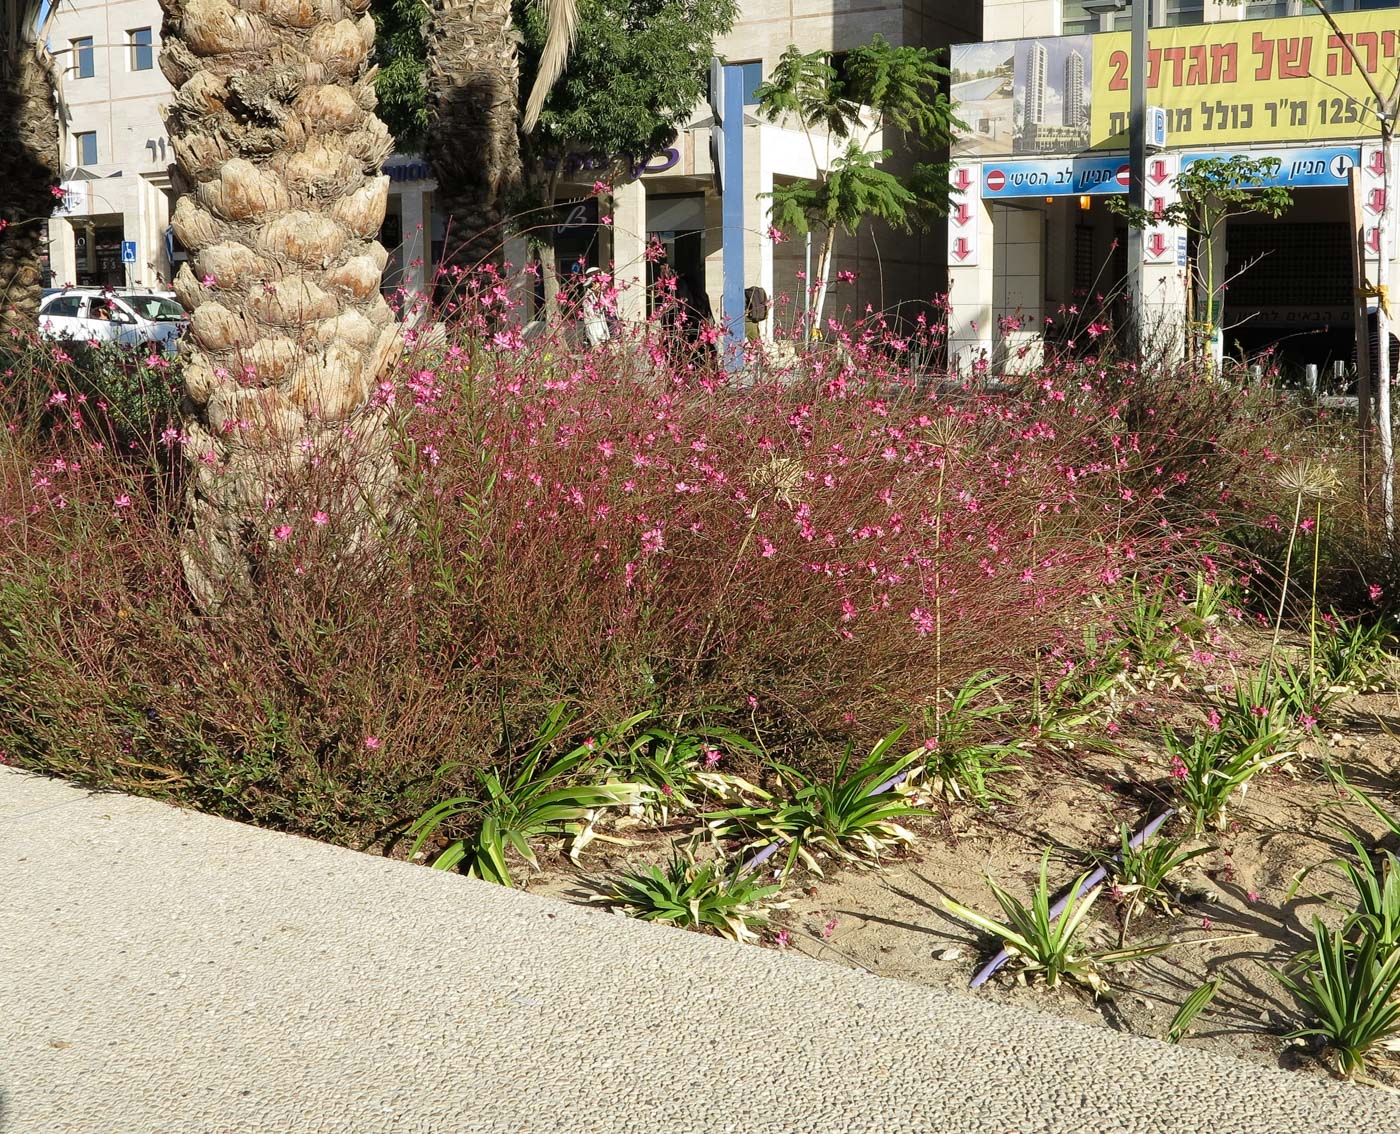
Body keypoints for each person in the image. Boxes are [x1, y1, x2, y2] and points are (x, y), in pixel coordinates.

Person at [579, 266, 611, 348]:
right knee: (597, 349)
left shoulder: (601, 296)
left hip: (603, 329)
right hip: (594, 330)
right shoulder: (588, 297)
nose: (602, 286)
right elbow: (589, 317)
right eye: (599, 283)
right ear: (593, 284)